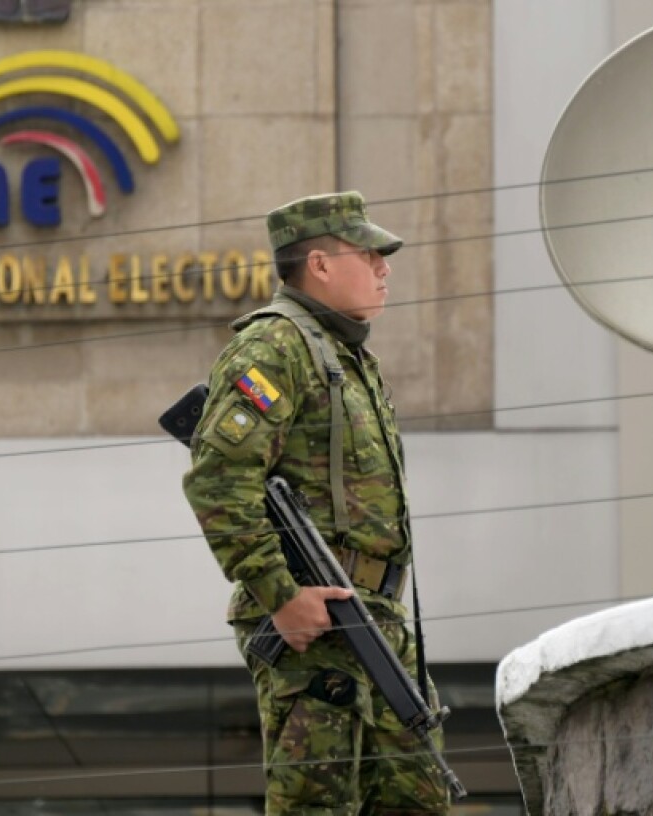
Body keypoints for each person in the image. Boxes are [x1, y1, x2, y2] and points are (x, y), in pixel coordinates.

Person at [183, 191, 451, 814]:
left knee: (419, 797)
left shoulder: (348, 355)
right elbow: (218, 479)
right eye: (369, 254)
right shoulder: (276, 346)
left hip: (375, 615)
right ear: (321, 265)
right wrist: (280, 592)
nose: (385, 268)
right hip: (317, 620)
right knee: (316, 805)